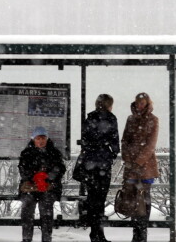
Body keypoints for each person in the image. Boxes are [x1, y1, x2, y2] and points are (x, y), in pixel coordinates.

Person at [77, 94, 120, 242]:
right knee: (100, 199)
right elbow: (115, 143)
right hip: (103, 164)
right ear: (109, 105)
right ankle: (98, 233)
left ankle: (94, 231)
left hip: (90, 165)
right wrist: (111, 153)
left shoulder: (90, 118)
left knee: (92, 197)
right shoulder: (111, 119)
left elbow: (84, 140)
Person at [121, 92, 159, 242]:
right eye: (138, 102)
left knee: (144, 199)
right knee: (131, 199)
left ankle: (142, 233)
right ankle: (136, 233)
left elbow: (151, 144)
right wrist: (128, 158)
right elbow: (124, 140)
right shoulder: (130, 119)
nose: (139, 105)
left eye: (142, 103)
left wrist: (138, 162)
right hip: (131, 167)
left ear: (148, 103)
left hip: (146, 167)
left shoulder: (153, 120)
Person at [18, 126, 67, 242]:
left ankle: (46, 238)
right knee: (27, 209)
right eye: (38, 138)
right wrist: (35, 177)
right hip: (31, 186)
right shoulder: (26, 152)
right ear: (33, 139)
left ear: (47, 139)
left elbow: (60, 169)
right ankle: (26, 238)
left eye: (43, 138)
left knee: (46, 211)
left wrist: (47, 178)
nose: (40, 141)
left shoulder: (54, 152)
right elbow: (22, 170)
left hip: (48, 187)